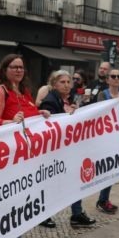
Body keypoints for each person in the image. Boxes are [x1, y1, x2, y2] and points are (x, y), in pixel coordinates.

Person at [0, 54, 51, 238]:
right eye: (14, 67)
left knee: (22, 195)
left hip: (26, 154)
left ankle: (7, 237)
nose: (18, 70)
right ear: (4, 69)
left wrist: (41, 114)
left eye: (21, 67)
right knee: (13, 197)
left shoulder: (24, 92)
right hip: (7, 155)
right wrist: (10, 122)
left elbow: (28, 117)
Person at [39, 70, 97, 228]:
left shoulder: (69, 99)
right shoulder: (50, 101)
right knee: (52, 183)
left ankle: (77, 214)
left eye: (68, 82)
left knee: (75, 179)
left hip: (70, 149)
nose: (66, 85)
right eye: (62, 82)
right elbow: (50, 125)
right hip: (54, 152)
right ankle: (44, 215)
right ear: (54, 84)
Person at [94, 68, 119, 214]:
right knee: (104, 170)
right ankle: (102, 199)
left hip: (117, 138)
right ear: (108, 79)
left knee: (112, 169)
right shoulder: (102, 95)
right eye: (113, 76)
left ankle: (104, 199)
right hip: (104, 137)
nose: (116, 78)